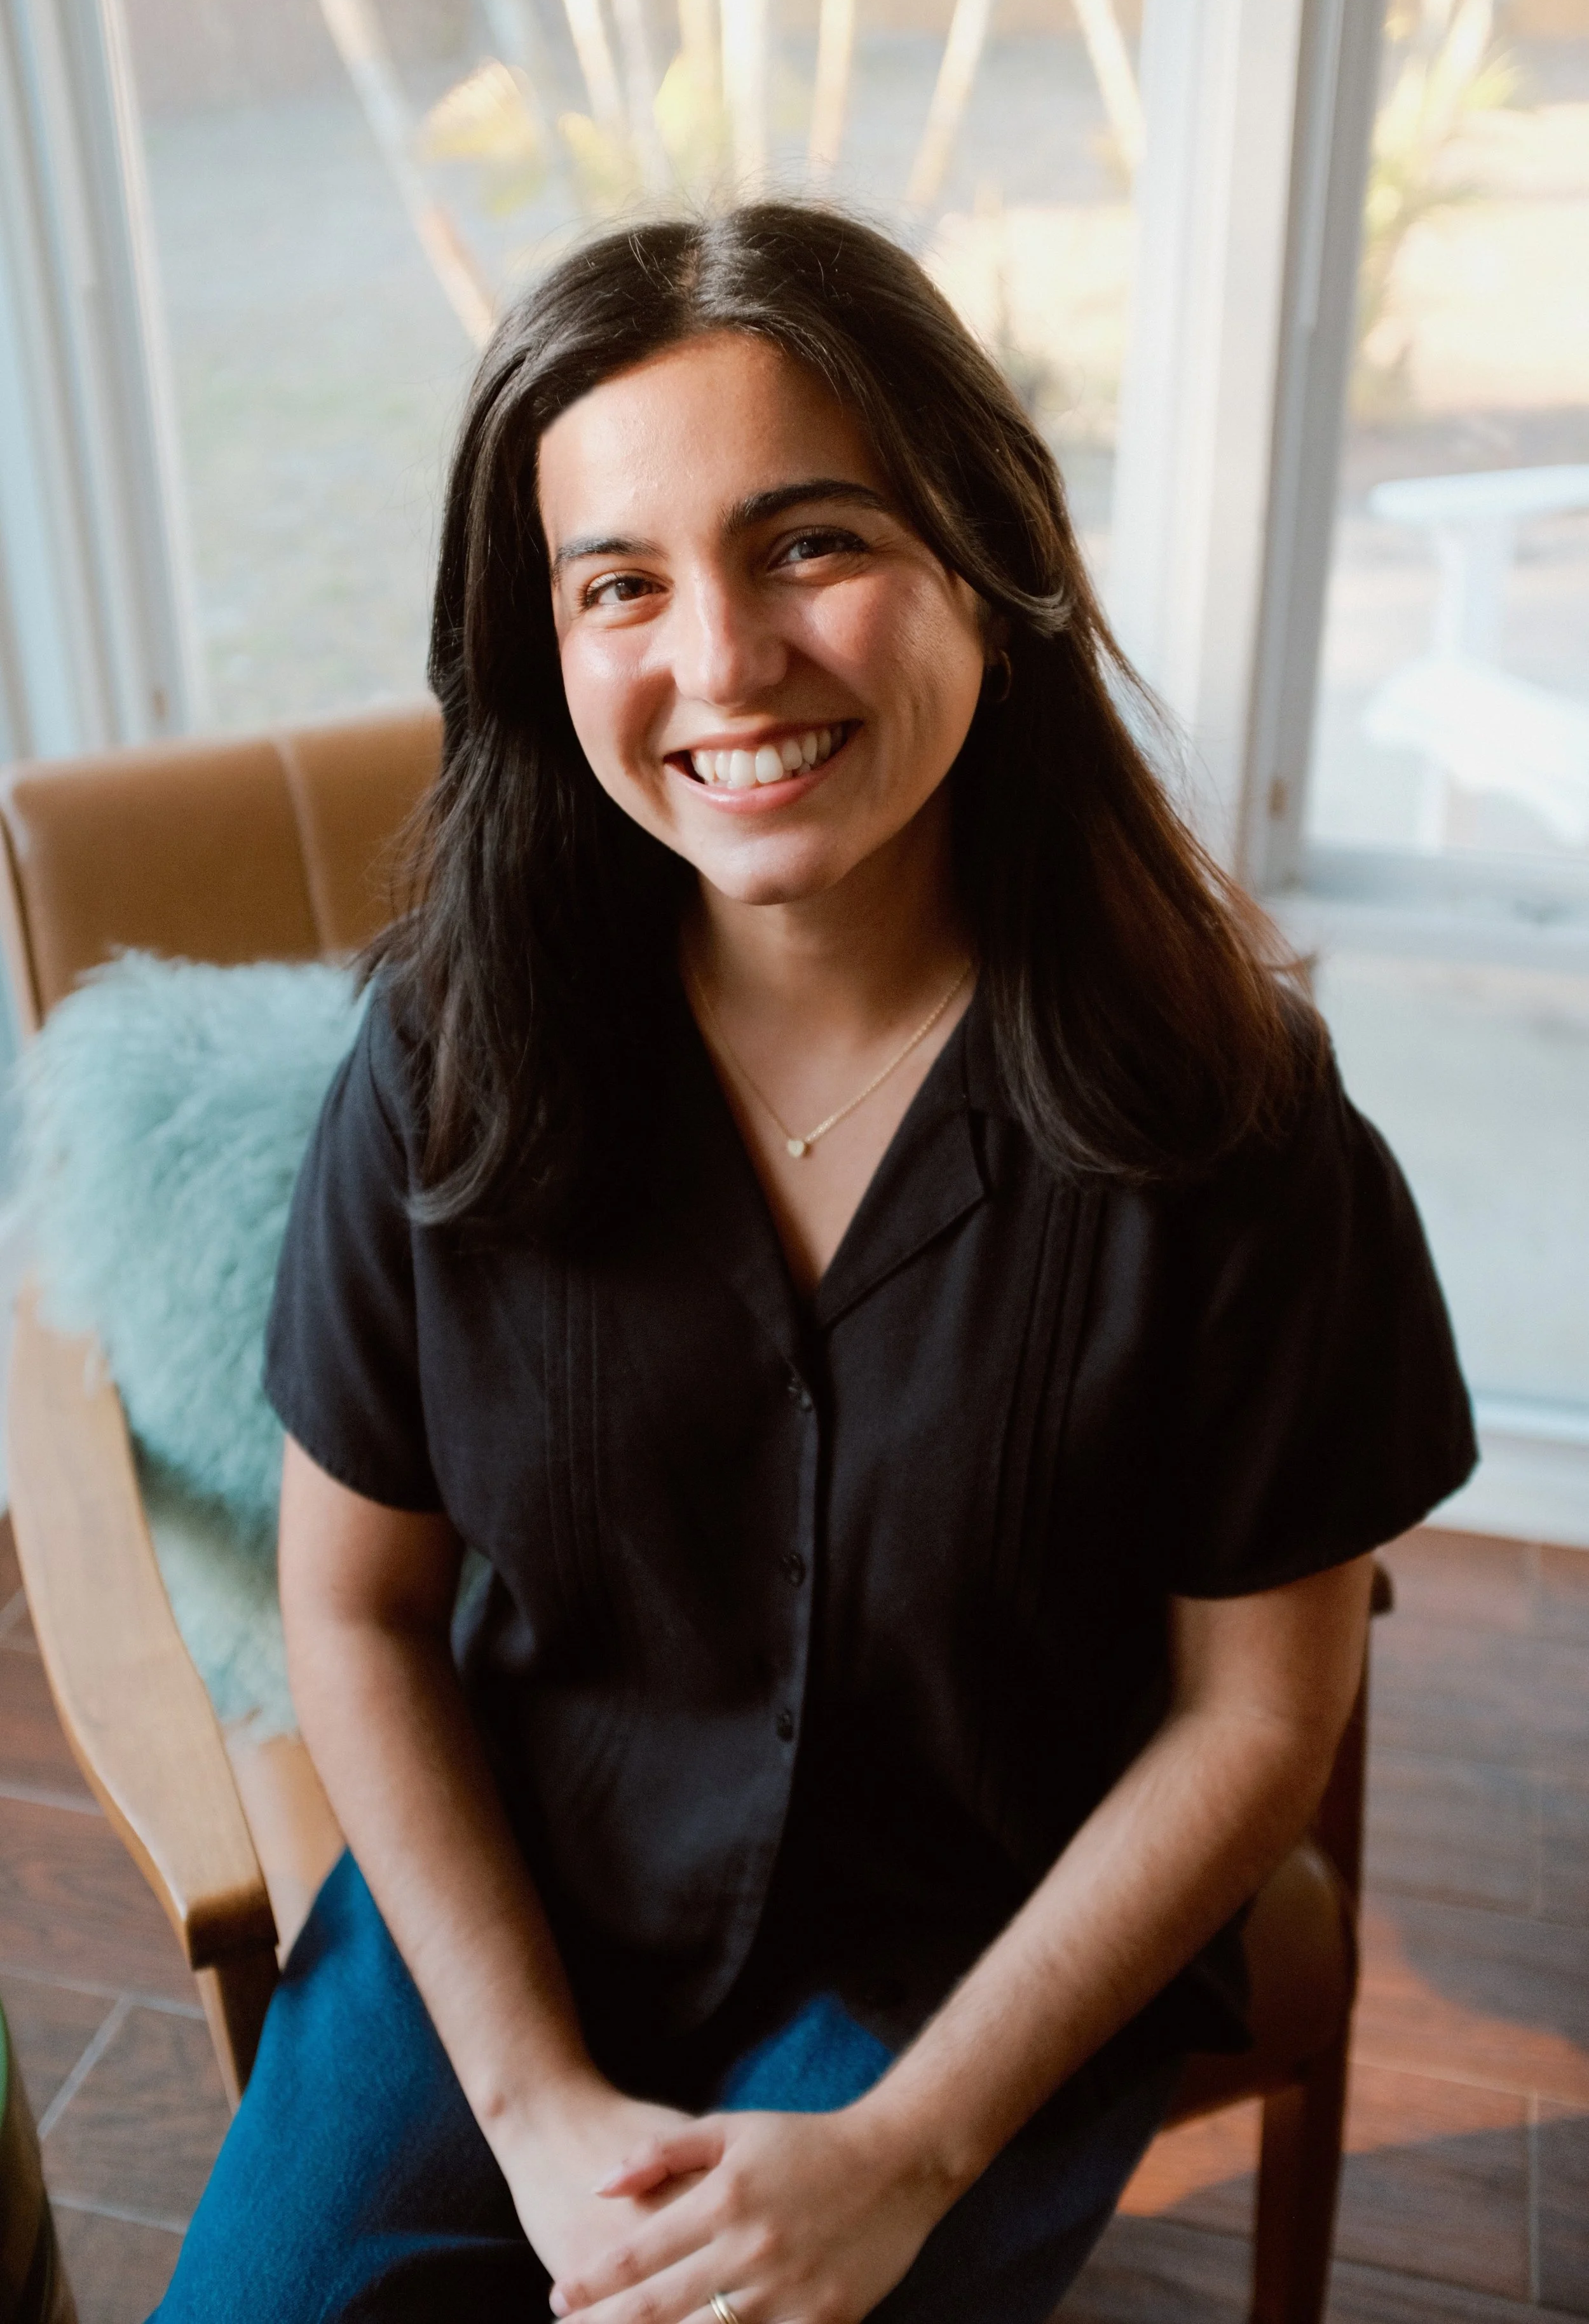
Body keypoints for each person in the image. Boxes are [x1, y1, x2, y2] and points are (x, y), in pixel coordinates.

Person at [154, 203, 1475, 2324]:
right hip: (514, 1914)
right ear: (541, 642)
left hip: (963, 1946)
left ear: (986, 557)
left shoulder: (1229, 1116)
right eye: (621, 584)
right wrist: (531, 2104)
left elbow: (1257, 1711)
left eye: (808, 544)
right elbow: (358, 1601)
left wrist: (908, 2152)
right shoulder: (445, 1054)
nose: (721, 661)